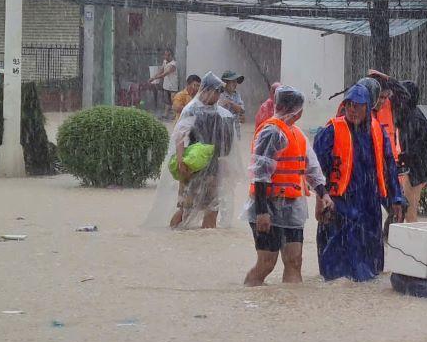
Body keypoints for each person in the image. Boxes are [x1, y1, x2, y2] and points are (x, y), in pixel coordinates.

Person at [313, 83, 405, 282]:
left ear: (368, 107)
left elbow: (389, 166)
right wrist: (321, 198)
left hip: (369, 204)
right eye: (349, 105)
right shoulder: (330, 131)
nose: (353, 110)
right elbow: (315, 170)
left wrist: (396, 197)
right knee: (336, 267)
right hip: (341, 204)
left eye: (358, 106)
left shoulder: (377, 131)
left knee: (371, 265)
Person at [243, 86, 328, 286]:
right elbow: (261, 172)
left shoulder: (297, 134)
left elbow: (312, 168)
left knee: (294, 261)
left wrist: (323, 194)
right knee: (266, 263)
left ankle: (289, 308)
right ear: (299, 110)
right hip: (268, 205)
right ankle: (249, 297)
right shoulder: (271, 132)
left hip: (292, 207)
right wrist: (262, 212)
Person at [165, 73, 241, 230]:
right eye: (216, 91)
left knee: (212, 209)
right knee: (186, 209)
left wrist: (228, 166)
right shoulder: (191, 110)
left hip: (214, 170)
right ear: (205, 90)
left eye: (220, 92)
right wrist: (181, 161)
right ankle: (172, 236)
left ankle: (207, 244)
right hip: (193, 167)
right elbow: (180, 136)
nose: (218, 95)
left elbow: (228, 146)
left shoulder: (223, 114)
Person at [391, 80, 427, 222]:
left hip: (419, 166)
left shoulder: (413, 118)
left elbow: (418, 146)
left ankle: (412, 237)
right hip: (420, 164)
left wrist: (405, 157)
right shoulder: (408, 114)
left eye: (399, 95)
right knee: (407, 203)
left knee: (409, 207)